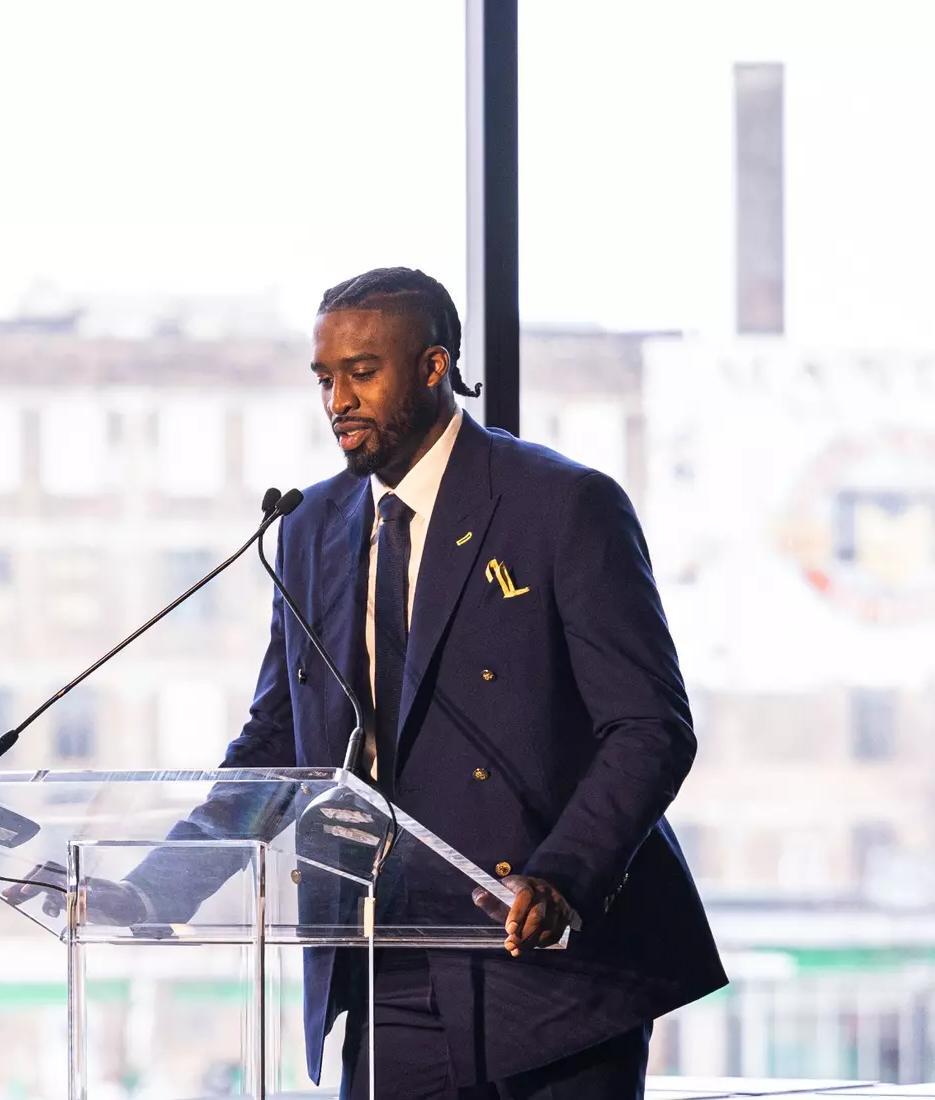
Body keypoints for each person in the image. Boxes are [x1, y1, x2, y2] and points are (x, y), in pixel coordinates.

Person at [124, 268, 728, 1098]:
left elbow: (649, 728)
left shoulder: (561, 504)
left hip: (552, 969)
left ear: (434, 366)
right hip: (386, 963)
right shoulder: (308, 527)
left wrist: (559, 878)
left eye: (362, 372)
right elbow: (279, 742)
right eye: (324, 378)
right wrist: (158, 885)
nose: (338, 399)